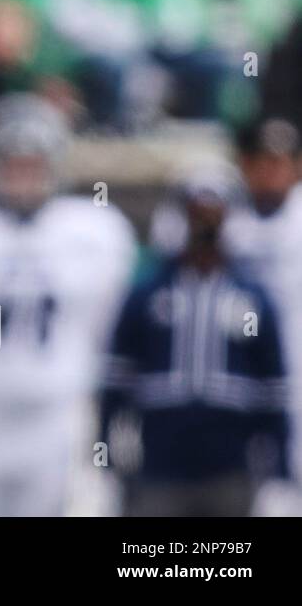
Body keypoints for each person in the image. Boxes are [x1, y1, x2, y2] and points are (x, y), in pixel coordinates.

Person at [0, 94, 136, 516]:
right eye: (13, 166)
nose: (23, 179)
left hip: (55, 417)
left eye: (34, 167)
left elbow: (109, 326)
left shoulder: (92, 231)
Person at [101, 163, 292, 516]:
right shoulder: (150, 294)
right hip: (160, 464)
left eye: (214, 216)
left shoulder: (252, 296)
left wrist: (279, 468)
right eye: (196, 216)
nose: (205, 227)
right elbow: (116, 378)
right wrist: (107, 454)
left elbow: (273, 386)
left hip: (231, 465)